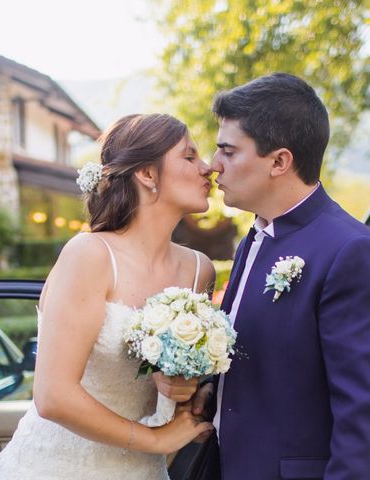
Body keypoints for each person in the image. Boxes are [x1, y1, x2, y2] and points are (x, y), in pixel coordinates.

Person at [156, 73, 370, 480]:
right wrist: (213, 392)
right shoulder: (254, 238)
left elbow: (362, 410)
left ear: (279, 161)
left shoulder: (350, 251)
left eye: (228, 151)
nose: (214, 165)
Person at [0, 113, 214, 479]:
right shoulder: (90, 255)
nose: (208, 168)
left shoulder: (199, 270)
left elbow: (181, 383)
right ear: (148, 174)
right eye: (190, 157)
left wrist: (185, 388)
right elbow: (53, 395)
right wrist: (155, 440)